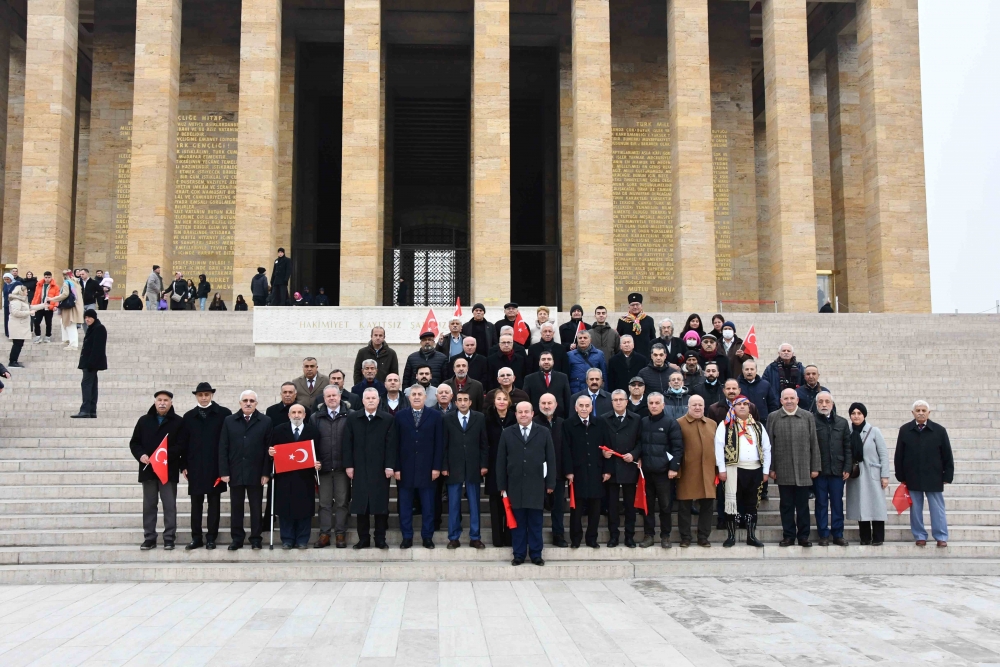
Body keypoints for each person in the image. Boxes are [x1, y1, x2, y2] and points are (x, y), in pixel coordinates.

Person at [130, 390, 188, 550]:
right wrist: (141, 455)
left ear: (171, 402)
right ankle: (149, 537)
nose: (162, 403)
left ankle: (169, 538)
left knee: (169, 505)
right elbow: (134, 443)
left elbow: (181, 445)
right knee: (149, 505)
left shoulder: (178, 422)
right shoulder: (144, 421)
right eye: (159, 400)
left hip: (167, 470)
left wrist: (164, 455)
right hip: (148, 470)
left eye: (166, 400)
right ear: (155, 402)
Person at [344, 388, 399, 549]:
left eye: (373, 398)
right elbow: (347, 443)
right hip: (359, 468)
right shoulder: (353, 418)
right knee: (362, 505)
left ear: (378, 400)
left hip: (380, 469)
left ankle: (380, 538)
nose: (370, 400)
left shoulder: (388, 419)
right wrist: (349, 465)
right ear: (362, 401)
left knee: (380, 504)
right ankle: (364, 539)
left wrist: (390, 466)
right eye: (367, 398)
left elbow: (391, 445)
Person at [894, 400, 954, 547]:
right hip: (912, 476)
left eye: (923, 410)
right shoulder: (905, 430)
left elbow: (947, 454)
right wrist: (901, 476)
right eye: (918, 410)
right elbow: (899, 455)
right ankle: (920, 535)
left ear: (929, 413)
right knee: (915, 509)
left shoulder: (939, 431)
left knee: (937, 508)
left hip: (934, 476)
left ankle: (941, 536)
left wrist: (947, 475)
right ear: (913, 413)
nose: (920, 413)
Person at [767, 388, 821, 547]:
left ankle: (804, 536)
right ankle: (788, 536)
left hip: (804, 468)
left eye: (792, 398)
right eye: (786, 398)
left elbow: (814, 443)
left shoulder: (807, 416)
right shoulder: (773, 417)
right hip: (783, 469)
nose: (789, 401)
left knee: (803, 506)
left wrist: (815, 467)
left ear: (797, 400)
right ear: (781, 400)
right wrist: (771, 467)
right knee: (786, 505)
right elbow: (770, 444)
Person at [220, 391, 273, 550]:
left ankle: (256, 538)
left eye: (251, 401)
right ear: (240, 402)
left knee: (256, 507)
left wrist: (265, 472)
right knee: (236, 507)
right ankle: (237, 539)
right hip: (235, 471)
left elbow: (268, 448)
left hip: (256, 473)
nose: (248, 403)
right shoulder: (229, 421)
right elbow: (223, 447)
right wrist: (224, 471)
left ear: (256, 403)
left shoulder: (265, 421)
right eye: (245, 400)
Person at [182, 382, 232, 550]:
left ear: (212, 395)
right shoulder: (188, 416)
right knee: (196, 504)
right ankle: (196, 538)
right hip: (195, 467)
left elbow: (228, 443)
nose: (204, 398)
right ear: (196, 396)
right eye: (200, 395)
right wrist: (183, 466)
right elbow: (183, 443)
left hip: (215, 467)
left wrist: (225, 467)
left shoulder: (224, 414)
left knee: (214, 503)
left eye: (207, 395)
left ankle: (211, 537)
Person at [715, 395, 770, 547]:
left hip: (755, 469)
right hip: (734, 470)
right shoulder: (725, 425)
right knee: (732, 504)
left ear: (750, 407)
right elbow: (719, 448)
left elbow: (766, 448)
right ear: (733, 407)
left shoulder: (758, 426)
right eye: (739, 404)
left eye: (745, 404)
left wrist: (765, 470)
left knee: (752, 505)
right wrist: (722, 469)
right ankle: (731, 536)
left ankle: (751, 536)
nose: (742, 407)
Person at [394, 385, 443, 549]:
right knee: (405, 506)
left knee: (428, 507)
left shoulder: (435, 416)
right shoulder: (400, 416)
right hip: (405, 469)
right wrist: (397, 468)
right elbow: (395, 444)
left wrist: (437, 467)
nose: (416, 397)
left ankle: (427, 537)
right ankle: (406, 537)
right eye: (413, 394)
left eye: (419, 394)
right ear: (408, 397)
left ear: (425, 397)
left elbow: (439, 444)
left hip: (428, 469)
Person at [269, 404, 321, 549]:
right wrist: (271, 453)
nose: (296, 415)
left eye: (299, 412)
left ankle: (303, 539)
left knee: (304, 508)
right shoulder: (279, 430)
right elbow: (272, 450)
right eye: (294, 412)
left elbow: (319, 452)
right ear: (289, 415)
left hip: (305, 477)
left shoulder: (313, 431)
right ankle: (287, 539)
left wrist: (319, 463)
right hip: (285, 477)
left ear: (305, 415)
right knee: (285, 508)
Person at [563, 395, 612, 549]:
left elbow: (607, 446)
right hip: (577, 474)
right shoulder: (568, 424)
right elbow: (565, 449)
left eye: (587, 405)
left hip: (597, 472)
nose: (584, 409)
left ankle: (592, 539)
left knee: (595, 509)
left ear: (591, 408)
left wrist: (607, 470)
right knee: (576, 510)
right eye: (581, 406)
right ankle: (575, 540)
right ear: (576, 408)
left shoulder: (600, 423)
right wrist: (568, 471)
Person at [441, 389, 488, 549]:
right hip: (454, 467)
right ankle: (453, 537)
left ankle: (475, 537)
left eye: (465, 400)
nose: (462, 402)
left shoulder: (479, 418)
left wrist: (483, 465)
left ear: (470, 402)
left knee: (474, 504)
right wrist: (444, 466)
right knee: (453, 503)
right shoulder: (448, 418)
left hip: (474, 467)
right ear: (455, 402)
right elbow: (444, 445)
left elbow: (483, 443)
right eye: (459, 400)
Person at [638, 392, 684, 548]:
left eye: (657, 403)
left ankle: (665, 536)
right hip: (647, 473)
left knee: (665, 506)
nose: (654, 406)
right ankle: (649, 535)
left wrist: (673, 468)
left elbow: (677, 448)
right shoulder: (643, 422)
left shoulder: (671, 423)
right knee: (647, 507)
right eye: (651, 403)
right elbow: (639, 444)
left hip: (664, 473)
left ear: (663, 405)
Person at [310, 385, 351, 548]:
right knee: (324, 503)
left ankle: (340, 534)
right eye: (328, 396)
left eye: (334, 395)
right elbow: (311, 442)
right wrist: (315, 460)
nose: (332, 398)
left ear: (340, 397)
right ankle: (325, 534)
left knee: (342, 502)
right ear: (324, 399)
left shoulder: (350, 415)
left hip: (342, 467)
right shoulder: (315, 417)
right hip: (324, 468)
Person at [846, 402, 890, 546]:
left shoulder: (874, 431)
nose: (856, 416)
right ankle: (864, 537)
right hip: (856, 474)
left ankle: (878, 537)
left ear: (864, 415)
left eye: (859, 413)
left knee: (876, 505)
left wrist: (885, 475)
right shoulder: (848, 432)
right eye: (853, 413)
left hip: (873, 474)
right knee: (861, 505)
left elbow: (883, 454)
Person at [602, 389, 642, 548]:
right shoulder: (604, 419)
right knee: (612, 506)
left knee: (630, 506)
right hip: (611, 468)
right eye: (615, 400)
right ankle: (613, 536)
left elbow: (641, 441)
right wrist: (604, 453)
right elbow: (601, 440)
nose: (618, 402)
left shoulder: (637, 419)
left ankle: (629, 536)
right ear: (611, 402)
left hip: (629, 467)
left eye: (621, 399)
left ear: (627, 401)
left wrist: (633, 454)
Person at [676, 395, 718, 547]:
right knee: (684, 506)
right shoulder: (679, 423)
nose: (697, 407)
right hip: (687, 471)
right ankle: (685, 537)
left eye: (700, 405)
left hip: (708, 471)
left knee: (707, 505)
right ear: (688, 406)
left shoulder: (712, 424)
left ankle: (703, 537)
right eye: (694, 405)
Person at [813, 391, 852, 546]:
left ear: (832, 404)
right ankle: (823, 534)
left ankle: (838, 534)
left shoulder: (842, 423)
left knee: (837, 503)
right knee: (821, 503)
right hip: (820, 471)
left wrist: (847, 467)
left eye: (827, 402)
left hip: (837, 471)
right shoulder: (812, 421)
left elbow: (848, 447)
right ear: (816, 404)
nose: (824, 405)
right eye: (821, 402)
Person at [534, 392, 569, 547]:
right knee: (537, 508)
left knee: (558, 508)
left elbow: (568, 449)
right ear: (539, 405)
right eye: (543, 403)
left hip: (559, 473)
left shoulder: (563, 423)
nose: (547, 406)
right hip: (537, 474)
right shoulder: (533, 423)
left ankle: (558, 535)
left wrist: (568, 471)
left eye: (550, 403)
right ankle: (536, 538)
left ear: (556, 405)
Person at [485, 390, 517, 547]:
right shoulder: (487, 418)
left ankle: (509, 538)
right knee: (495, 505)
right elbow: (483, 443)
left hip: (512, 465)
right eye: (499, 399)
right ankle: (497, 540)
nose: (502, 401)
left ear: (509, 401)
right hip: (493, 466)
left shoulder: (515, 417)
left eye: (505, 399)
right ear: (494, 401)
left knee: (510, 504)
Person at [71, 309, 107, 418]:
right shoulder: (93, 328)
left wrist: (91, 363)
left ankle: (85, 410)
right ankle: (91, 411)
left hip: (90, 364)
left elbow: (98, 348)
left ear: (94, 317)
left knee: (86, 385)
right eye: (86, 318)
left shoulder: (99, 328)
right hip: (89, 363)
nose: (87, 319)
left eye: (89, 317)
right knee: (91, 386)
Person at [523, 350, 571, 419]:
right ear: (539, 362)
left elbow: (567, 400)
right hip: (536, 419)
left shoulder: (563, 377)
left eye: (549, 359)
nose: (546, 362)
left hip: (558, 418)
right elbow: (526, 400)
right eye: (543, 359)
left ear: (553, 362)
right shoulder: (529, 379)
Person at [762, 343, 805, 409]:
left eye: (788, 351)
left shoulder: (800, 368)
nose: (786, 352)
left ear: (792, 353)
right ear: (779, 353)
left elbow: (804, 385)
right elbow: (765, 386)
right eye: (784, 351)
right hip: (776, 405)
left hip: (796, 405)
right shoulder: (771, 368)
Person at [567, 330, 607, 394]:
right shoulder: (570, 355)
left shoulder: (599, 354)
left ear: (590, 340)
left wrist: (605, 392)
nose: (582, 340)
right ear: (577, 340)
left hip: (594, 390)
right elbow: (567, 375)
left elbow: (604, 374)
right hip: (575, 391)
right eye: (580, 338)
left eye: (585, 338)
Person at [617, 292, 656, 358]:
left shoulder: (649, 320)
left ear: (641, 306)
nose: (635, 307)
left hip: (646, 356)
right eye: (632, 305)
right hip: (628, 356)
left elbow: (653, 338)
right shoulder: (622, 320)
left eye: (637, 304)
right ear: (629, 307)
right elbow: (619, 338)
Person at [52, 269, 84, 350]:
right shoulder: (77, 283)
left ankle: (73, 344)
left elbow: (65, 294)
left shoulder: (67, 282)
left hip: (70, 307)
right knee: (66, 323)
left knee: (70, 325)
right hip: (77, 306)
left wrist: (53, 299)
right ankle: (67, 340)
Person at [30, 272, 60, 342]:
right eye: (46, 277)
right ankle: (38, 335)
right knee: (36, 321)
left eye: (49, 277)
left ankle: (47, 336)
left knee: (48, 323)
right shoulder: (39, 285)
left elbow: (57, 297)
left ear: (51, 277)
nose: (47, 279)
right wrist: (33, 305)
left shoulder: (55, 286)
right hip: (40, 306)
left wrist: (55, 305)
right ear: (44, 277)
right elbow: (36, 296)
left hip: (49, 307)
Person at [6, 285, 30, 368]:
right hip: (17, 326)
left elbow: (29, 308)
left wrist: (42, 306)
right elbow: (15, 313)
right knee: (17, 343)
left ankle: (14, 360)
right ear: (21, 292)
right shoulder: (16, 301)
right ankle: (12, 361)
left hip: (20, 325)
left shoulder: (22, 301)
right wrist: (29, 313)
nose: (27, 292)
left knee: (19, 343)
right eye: (26, 291)